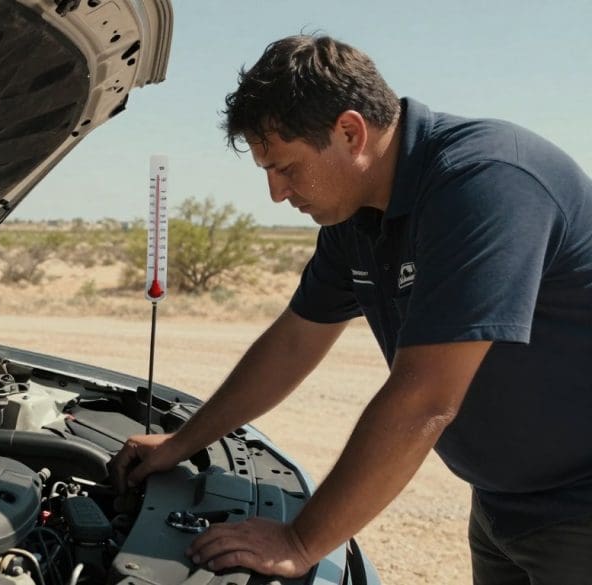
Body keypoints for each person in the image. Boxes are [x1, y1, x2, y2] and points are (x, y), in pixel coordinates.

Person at [109, 34, 592, 584]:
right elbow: (295, 340)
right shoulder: (355, 216)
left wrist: (300, 539)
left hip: (581, 502)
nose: (276, 193)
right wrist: (182, 442)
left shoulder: (486, 183)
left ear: (350, 132)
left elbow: (425, 399)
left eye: (286, 168)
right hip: (504, 503)